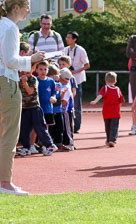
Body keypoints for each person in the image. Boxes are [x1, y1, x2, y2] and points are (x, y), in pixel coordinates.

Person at [0, 0, 45, 195]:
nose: (29, 11)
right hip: (6, 83)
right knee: (9, 134)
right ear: (15, 8)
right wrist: (32, 59)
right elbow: (10, 60)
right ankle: (4, 183)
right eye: (26, 6)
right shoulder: (10, 27)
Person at [18, 44, 58, 157]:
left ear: (33, 70)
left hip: (35, 108)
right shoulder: (19, 79)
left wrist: (24, 83)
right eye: (24, 69)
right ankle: (26, 147)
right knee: (24, 129)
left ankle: (50, 145)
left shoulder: (33, 79)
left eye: (29, 69)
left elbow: (30, 91)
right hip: (25, 108)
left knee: (40, 128)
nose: (27, 71)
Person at [64, 31, 90, 133]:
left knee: (77, 104)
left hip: (77, 80)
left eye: (69, 37)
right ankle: (67, 125)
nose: (67, 39)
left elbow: (87, 65)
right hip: (65, 80)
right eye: (67, 37)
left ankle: (77, 127)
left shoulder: (80, 50)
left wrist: (75, 71)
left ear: (75, 39)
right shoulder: (65, 50)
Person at [91, 72, 125, 147]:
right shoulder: (117, 89)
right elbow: (121, 101)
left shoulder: (105, 88)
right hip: (115, 112)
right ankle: (112, 140)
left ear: (106, 81)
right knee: (114, 127)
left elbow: (100, 95)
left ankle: (109, 139)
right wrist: (119, 109)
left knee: (108, 126)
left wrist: (95, 101)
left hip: (106, 111)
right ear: (115, 81)